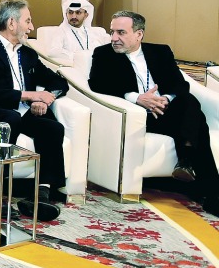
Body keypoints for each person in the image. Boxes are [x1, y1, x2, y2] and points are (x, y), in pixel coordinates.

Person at [89, 11, 218, 215]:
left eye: (121, 32)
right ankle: (203, 181)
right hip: (137, 116)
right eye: (112, 32)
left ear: (139, 34)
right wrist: (137, 98)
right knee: (198, 125)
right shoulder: (103, 54)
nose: (114, 38)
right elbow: (97, 84)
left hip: (164, 111)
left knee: (189, 103)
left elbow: (180, 84)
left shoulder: (160, 52)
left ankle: (192, 171)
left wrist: (165, 99)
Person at [0, 0, 67, 221]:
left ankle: (41, 194)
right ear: (11, 23)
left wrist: (45, 99)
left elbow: (59, 82)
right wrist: (28, 95)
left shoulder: (28, 54)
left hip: (21, 112)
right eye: (27, 21)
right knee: (11, 119)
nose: (31, 27)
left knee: (53, 128)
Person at [41, 0, 108, 64]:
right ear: (66, 14)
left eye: (78, 12)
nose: (73, 16)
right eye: (70, 12)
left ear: (86, 15)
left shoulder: (92, 32)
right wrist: (77, 56)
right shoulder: (61, 31)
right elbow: (53, 51)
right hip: (75, 67)